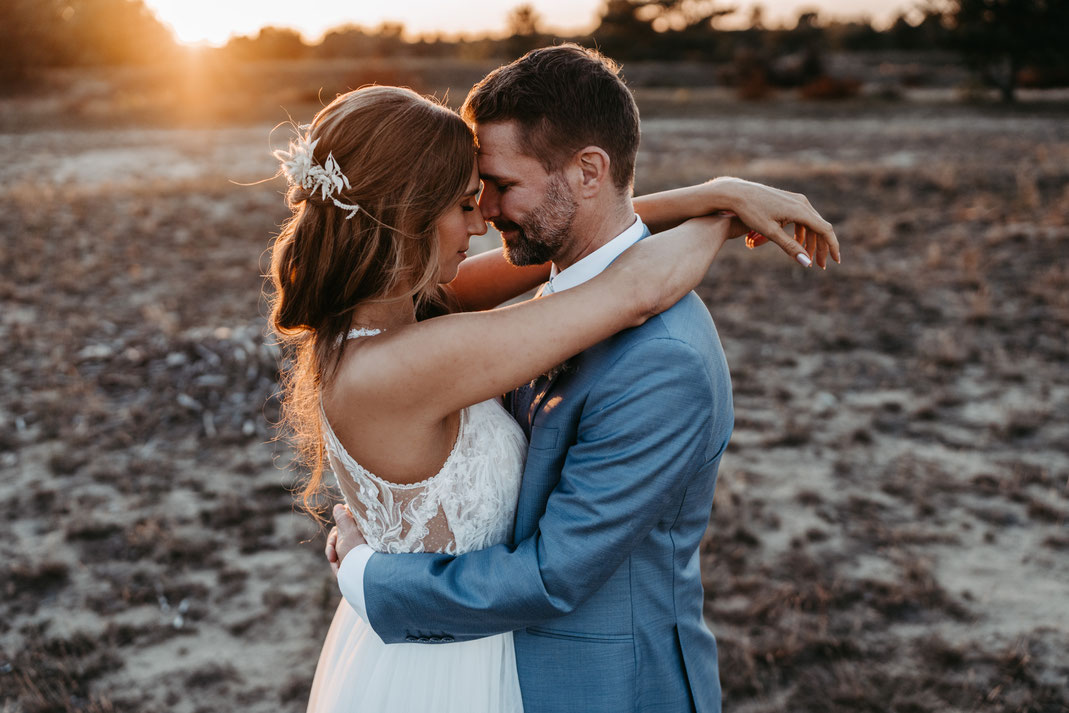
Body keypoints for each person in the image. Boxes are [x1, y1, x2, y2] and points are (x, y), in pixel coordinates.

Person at [276, 50, 837, 713]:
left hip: (580, 677)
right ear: (405, 221)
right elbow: (630, 285)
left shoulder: (390, 317)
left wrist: (710, 198)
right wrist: (718, 209)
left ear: (590, 170)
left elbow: (605, 269)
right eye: (465, 199)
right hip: (451, 671)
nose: (482, 217)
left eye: (493, 187)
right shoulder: (416, 350)